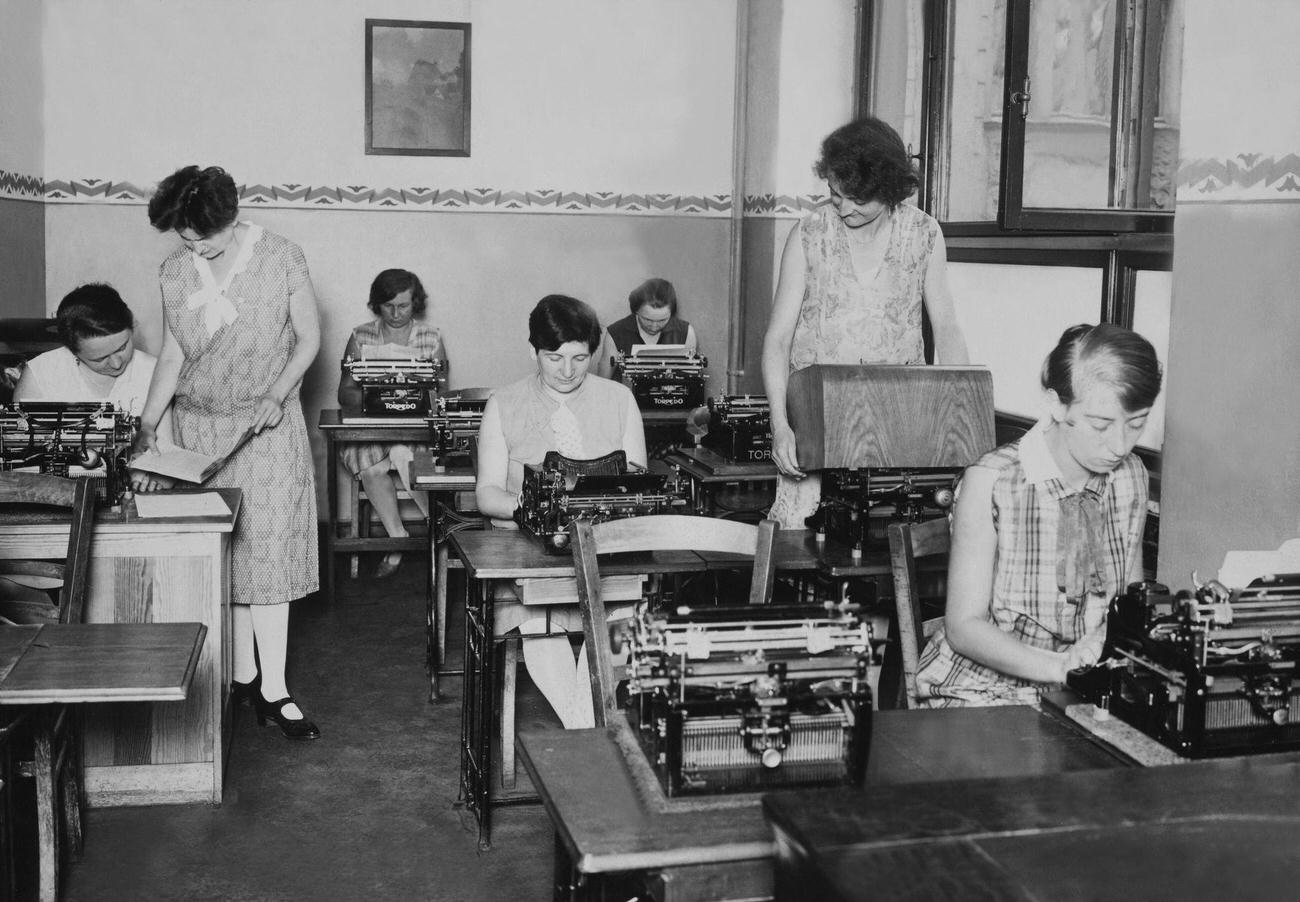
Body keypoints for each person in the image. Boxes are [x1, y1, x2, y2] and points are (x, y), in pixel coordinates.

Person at [134, 165, 322, 740]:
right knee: (226, 553)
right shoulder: (174, 271)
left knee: (269, 553)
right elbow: (174, 354)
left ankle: (275, 690)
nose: (197, 248)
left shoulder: (282, 257)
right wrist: (148, 423)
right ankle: (242, 678)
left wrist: (276, 392)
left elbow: (309, 338)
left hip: (266, 427)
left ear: (231, 216)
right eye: (186, 238)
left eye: (205, 237)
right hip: (201, 430)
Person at [914, 324, 1162, 707]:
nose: (1119, 446)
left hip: (1081, 690)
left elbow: (1129, 602)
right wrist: (1061, 667)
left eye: (1136, 424)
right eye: (1101, 424)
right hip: (979, 690)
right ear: (1057, 404)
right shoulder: (992, 481)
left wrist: (1098, 647)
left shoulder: (1131, 476)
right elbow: (964, 627)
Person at [761, 115, 970, 529]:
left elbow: (946, 328)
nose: (844, 207)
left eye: (857, 198)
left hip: (898, 417)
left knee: (890, 537)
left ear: (888, 189)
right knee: (802, 536)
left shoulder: (924, 233)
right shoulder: (808, 233)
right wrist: (780, 425)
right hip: (815, 418)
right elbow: (778, 339)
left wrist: (958, 416)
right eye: (835, 194)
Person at [475, 295, 646, 728]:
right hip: (529, 553)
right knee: (538, 618)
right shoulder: (504, 403)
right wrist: (533, 508)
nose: (567, 370)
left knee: (623, 615)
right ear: (532, 350)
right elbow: (487, 495)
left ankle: (580, 730)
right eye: (554, 358)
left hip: (605, 551)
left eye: (579, 358)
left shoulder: (620, 399)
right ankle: (586, 731)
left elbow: (636, 486)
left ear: (594, 353)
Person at [337, 268, 447, 578]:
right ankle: (398, 538)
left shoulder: (430, 337)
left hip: (415, 431)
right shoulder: (361, 336)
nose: (396, 314)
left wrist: (413, 391)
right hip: (372, 429)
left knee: (404, 454)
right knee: (371, 468)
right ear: (377, 304)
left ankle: (441, 533)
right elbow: (344, 393)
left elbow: (440, 393)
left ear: (416, 303)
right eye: (388, 306)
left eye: (404, 306)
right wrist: (378, 394)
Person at [15, 282, 172, 492]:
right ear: (72, 351)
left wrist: (153, 476)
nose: (116, 363)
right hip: (56, 495)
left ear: (132, 325)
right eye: (99, 359)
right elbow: (21, 459)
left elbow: (167, 454)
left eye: (122, 347)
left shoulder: (155, 372)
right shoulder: (40, 374)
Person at [594, 277, 698, 379]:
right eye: (647, 319)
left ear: (671, 314)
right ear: (635, 311)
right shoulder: (616, 333)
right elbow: (603, 381)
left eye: (662, 320)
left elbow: (691, 377)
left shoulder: (686, 332)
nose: (654, 326)